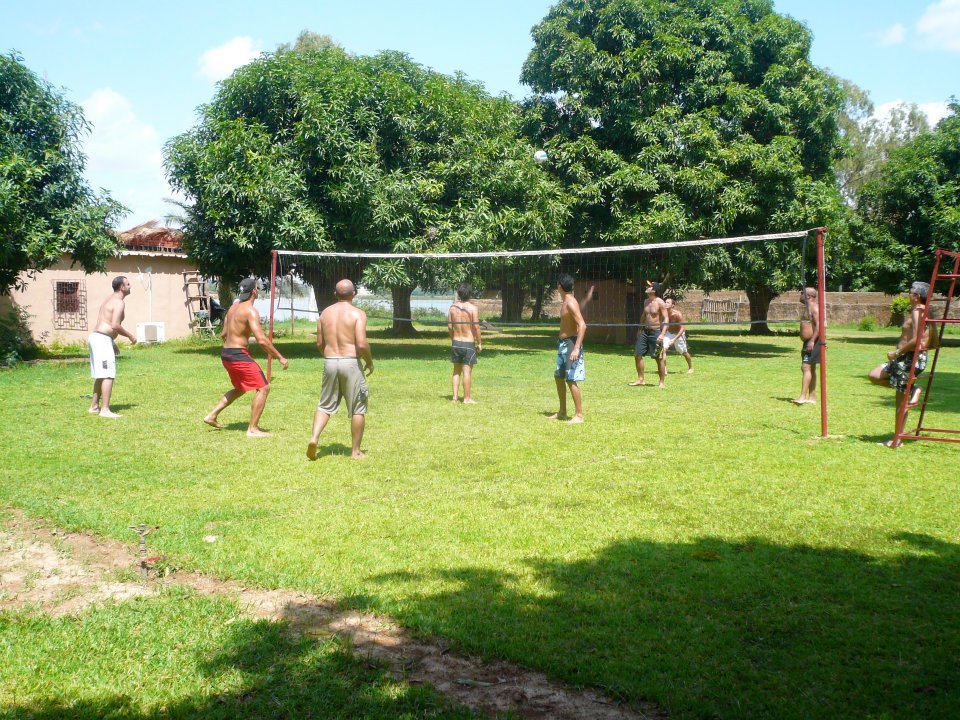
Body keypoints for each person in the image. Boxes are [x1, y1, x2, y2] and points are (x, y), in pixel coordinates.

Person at [203, 277, 288, 437]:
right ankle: (253, 429)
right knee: (263, 388)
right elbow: (262, 340)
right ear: (254, 291)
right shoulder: (250, 310)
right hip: (238, 355)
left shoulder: (232, 308)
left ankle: (211, 415)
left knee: (241, 388)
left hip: (226, 354)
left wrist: (237, 341)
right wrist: (280, 357)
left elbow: (224, 334)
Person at [307, 279, 373, 460]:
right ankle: (355, 451)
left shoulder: (325, 314)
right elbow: (361, 343)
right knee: (358, 408)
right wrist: (369, 361)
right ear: (354, 294)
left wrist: (329, 355)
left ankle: (314, 438)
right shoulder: (357, 314)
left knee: (324, 405)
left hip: (329, 360)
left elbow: (320, 343)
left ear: (335, 295)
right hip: (350, 361)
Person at [868, 281, 937, 448]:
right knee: (874, 375)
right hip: (908, 358)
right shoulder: (924, 311)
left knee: (901, 401)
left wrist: (897, 352)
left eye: (910, 291)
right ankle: (913, 390)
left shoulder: (917, 310)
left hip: (908, 358)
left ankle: (897, 439)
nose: (908, 294)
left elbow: (917, 338)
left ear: (917, 296)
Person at [87, 276, 136, 418]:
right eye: (128, 284)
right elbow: (114, 325)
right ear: (122, 287)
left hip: (98, 337)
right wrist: (130, 336)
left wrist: (112, 342)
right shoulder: (119, 302)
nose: (130, 286)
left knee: (101, 374)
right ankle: (105, 410)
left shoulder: (108, 300)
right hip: (101, 339)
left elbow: (104, 322)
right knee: (108, 374)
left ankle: (94, 406)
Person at [550, 273, 587, 423]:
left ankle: (579, 415)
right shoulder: (565, 302)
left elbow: (582, 325)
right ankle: (562, 412)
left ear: (560, 286)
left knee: (571, 379)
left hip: (572, 344)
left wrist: (577, 348)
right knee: (559, 377)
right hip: (563, 344)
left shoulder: (571, 302)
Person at [629, 281, 668, 388]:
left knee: (657, 357)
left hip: (656, 332)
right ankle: (641, 379)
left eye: (649, 286)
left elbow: (666, 319)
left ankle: (661, 382)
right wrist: (639, 329)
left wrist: (663, 334)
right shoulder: (646, 301)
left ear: (654, 290)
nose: (646, 287)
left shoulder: (660, 302)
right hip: (645, 332)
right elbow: (643, 316)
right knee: (637, 354)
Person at [448, 282, 482, 403]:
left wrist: (453, 339)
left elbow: (450, 327)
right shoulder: (473, 308)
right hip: (468, 343)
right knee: (467, 372)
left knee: (456, 371)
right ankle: (467, 399)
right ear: (470, 294)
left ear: (459, 293)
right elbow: (477, 327)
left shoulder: (452, 308)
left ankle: (455, 398)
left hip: (456, 342)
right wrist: (480, 343)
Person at [794, 287, 821, 405]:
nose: (800, 295)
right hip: (809, 342)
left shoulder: (814, 308)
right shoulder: (807, 308)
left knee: (805, 367)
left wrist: (812, 341)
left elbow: (820, 327)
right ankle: (812, 397)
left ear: (808, 296)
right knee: (811, 368)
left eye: (802, 293)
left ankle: (802, 397)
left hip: (813, 342)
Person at [662, 297, 693, 373]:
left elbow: (682, 328)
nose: (665, 303)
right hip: (669, 333)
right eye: (665, 302)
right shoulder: (663, 313)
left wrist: (674, 339)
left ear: (673, 305)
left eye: (668, 302)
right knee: (663, 349)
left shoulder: (677, 314)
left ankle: (690, 367)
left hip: (678, 334)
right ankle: (664, 369)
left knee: (683, 352)